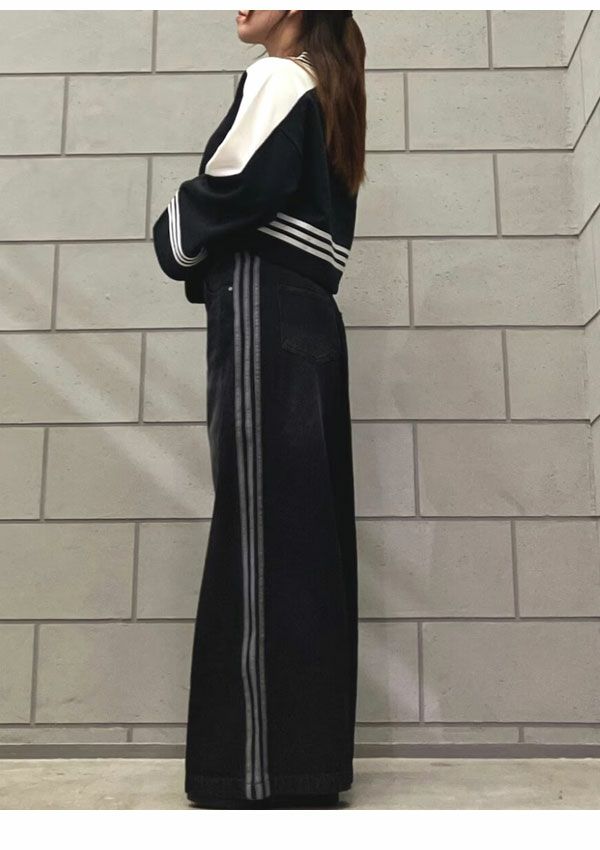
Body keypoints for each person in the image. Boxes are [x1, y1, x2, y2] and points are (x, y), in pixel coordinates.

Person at [152, 9, 366, 810]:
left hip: (260, 307)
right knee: (304, 531)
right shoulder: (332, 88)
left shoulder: (280, 75)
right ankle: (305, 763)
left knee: (257, 532)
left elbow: (235, 186)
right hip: (308, 316)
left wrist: (171, 236)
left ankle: (253, 772)